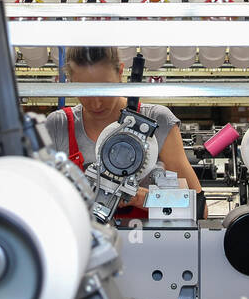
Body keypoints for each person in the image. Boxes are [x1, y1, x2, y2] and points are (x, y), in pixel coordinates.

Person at [44, 46, 204, 219]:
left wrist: (137, 197)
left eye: (104, 89)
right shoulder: (58, 126)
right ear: (70, 80)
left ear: (120, 72)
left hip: (152, 245)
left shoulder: (156, 121)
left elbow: (198, 209)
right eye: (84, 90)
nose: (96, 103)